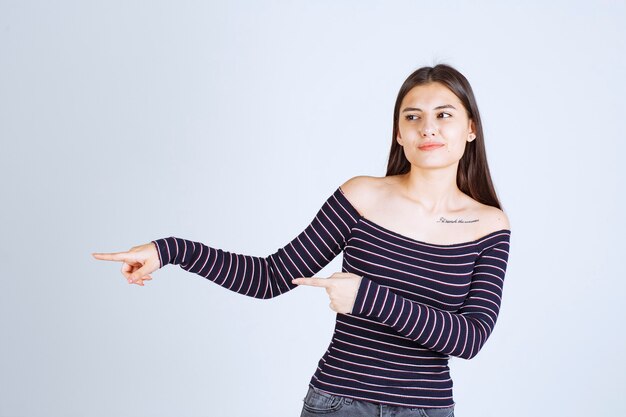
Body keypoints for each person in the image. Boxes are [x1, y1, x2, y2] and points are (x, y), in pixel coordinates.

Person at [93, 63, 511, 417]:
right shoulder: (361, 196)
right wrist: (169, 250)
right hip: (339, 402)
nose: (428, 129)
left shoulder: (489, 226)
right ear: (399, 133)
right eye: (413, 117)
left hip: (426, 408)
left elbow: (469, 338)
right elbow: (271, 277)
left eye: (444, 115)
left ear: (470, 128)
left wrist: (366, 298)